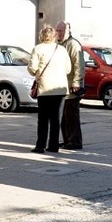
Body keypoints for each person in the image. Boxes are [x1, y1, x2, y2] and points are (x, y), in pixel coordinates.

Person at [28, 24, 72, 153]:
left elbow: (32, 68)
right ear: (54, 36)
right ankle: (54, 146)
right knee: (56, 119)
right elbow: (68, 69)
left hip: (45, 88)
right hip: (60, 88)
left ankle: (40, 145)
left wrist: (36, 73)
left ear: (42, 35)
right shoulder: (62, 49)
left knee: (43, 119)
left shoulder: (38, 49)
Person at [56, 21, 85, 149]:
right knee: (64, 117)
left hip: (72, 85)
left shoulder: (73, 44)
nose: (58, 33)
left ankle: (75, 141)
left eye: (60, 31)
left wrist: (77, 82)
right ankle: (67, 139)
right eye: (57, 30)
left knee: (72, 116)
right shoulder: (59, 44)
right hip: (62, 86)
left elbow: (79, 64)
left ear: (68, 31)